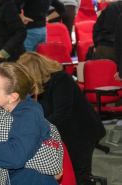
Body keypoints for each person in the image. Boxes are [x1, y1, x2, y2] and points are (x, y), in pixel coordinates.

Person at [17, 52, 106, 185]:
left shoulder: (60, 79)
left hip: (82, 133)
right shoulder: (40, 86)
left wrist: (36, 126)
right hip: (66, 134)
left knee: (80, 174)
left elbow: (61, 114)